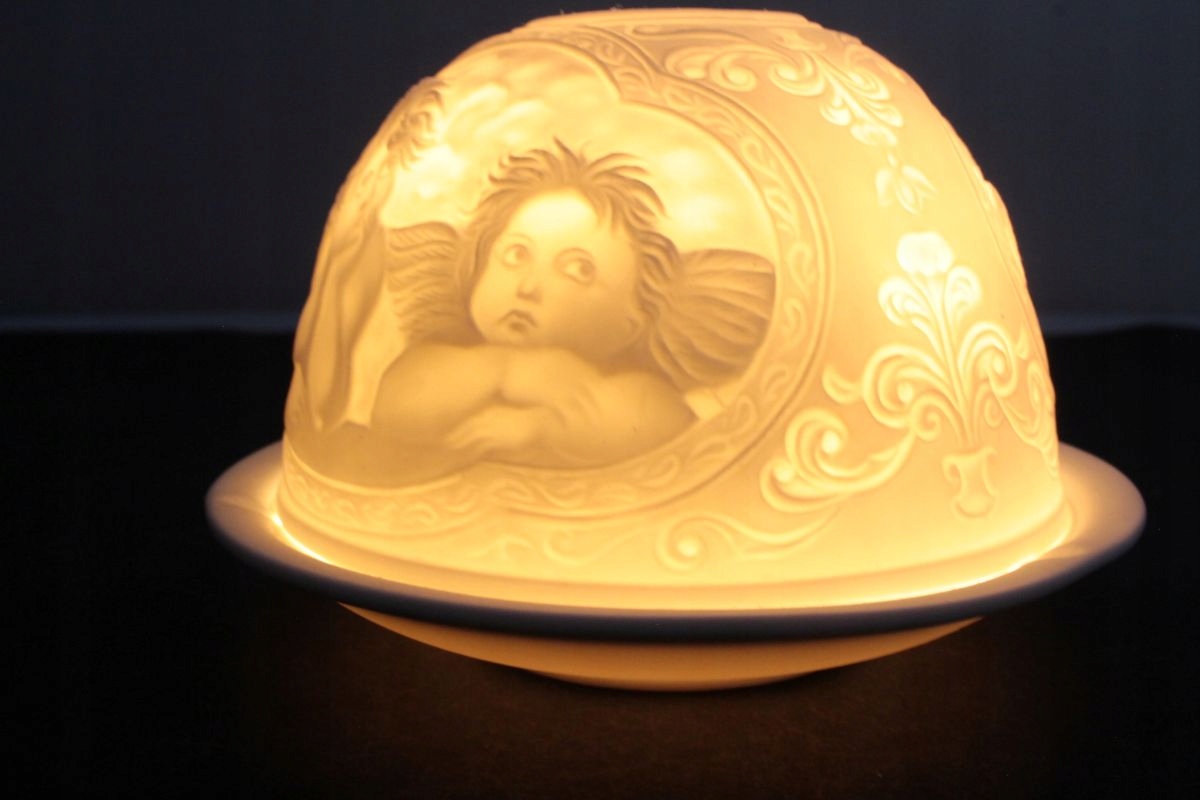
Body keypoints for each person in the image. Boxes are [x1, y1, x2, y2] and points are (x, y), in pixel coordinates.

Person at [330, 142, 774, 485]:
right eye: (515, 254)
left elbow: (661, 427)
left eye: (578, 269)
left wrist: (541, 426)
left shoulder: (633, 391)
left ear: (630, 323)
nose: (528, 286)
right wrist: (503, 368)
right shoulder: (441, 360)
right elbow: (395, 411)